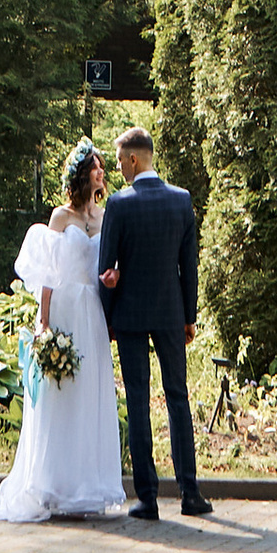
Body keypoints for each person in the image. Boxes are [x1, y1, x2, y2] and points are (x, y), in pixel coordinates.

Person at [0, 138, 127, 523]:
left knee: (90, 394)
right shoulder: (61, 217)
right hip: (63, 308)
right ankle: (52, 486)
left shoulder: (105, 216)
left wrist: (114, 279)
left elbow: (111, 264)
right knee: (61, 394)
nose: (101, 173)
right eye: (95, 167)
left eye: (102, 167)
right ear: (81, 175)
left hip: (92, 311)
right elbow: (47, 273)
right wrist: (43, 321)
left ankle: (87, 487)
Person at [97, 124, 211, 519]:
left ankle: (147, 498)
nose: (118, 168)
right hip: (170, 313)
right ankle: (190, 493)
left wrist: (108, 318)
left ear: (133, 159)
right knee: (178, 398)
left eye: (119, 161)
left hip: (129, 316)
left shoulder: (119, 204)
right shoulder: (181, 201)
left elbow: (105, 268)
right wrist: (189, 317)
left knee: (139, 400)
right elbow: (189, 266)